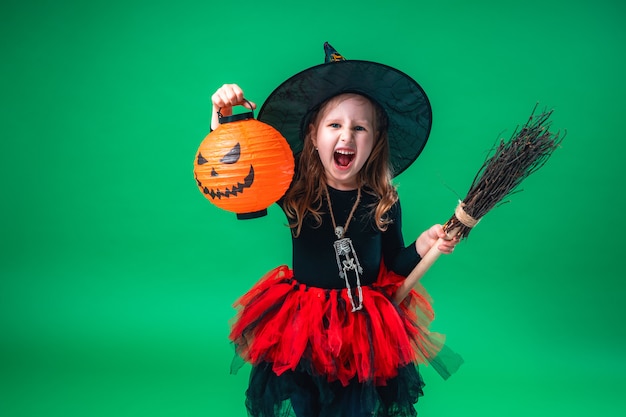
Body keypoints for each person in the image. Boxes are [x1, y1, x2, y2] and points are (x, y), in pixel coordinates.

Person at [211, 43, 462, 417]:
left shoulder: (383, 199)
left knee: (355, 408)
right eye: (334, 125)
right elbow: (240, 183)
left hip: (364, 330)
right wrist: (222, 117)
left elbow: (394, 262)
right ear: (313, 136)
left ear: (375, 141)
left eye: (360, 128)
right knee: (307, 403)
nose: (346, 136)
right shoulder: (293, 188)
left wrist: (425, 245)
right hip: (302, 327)